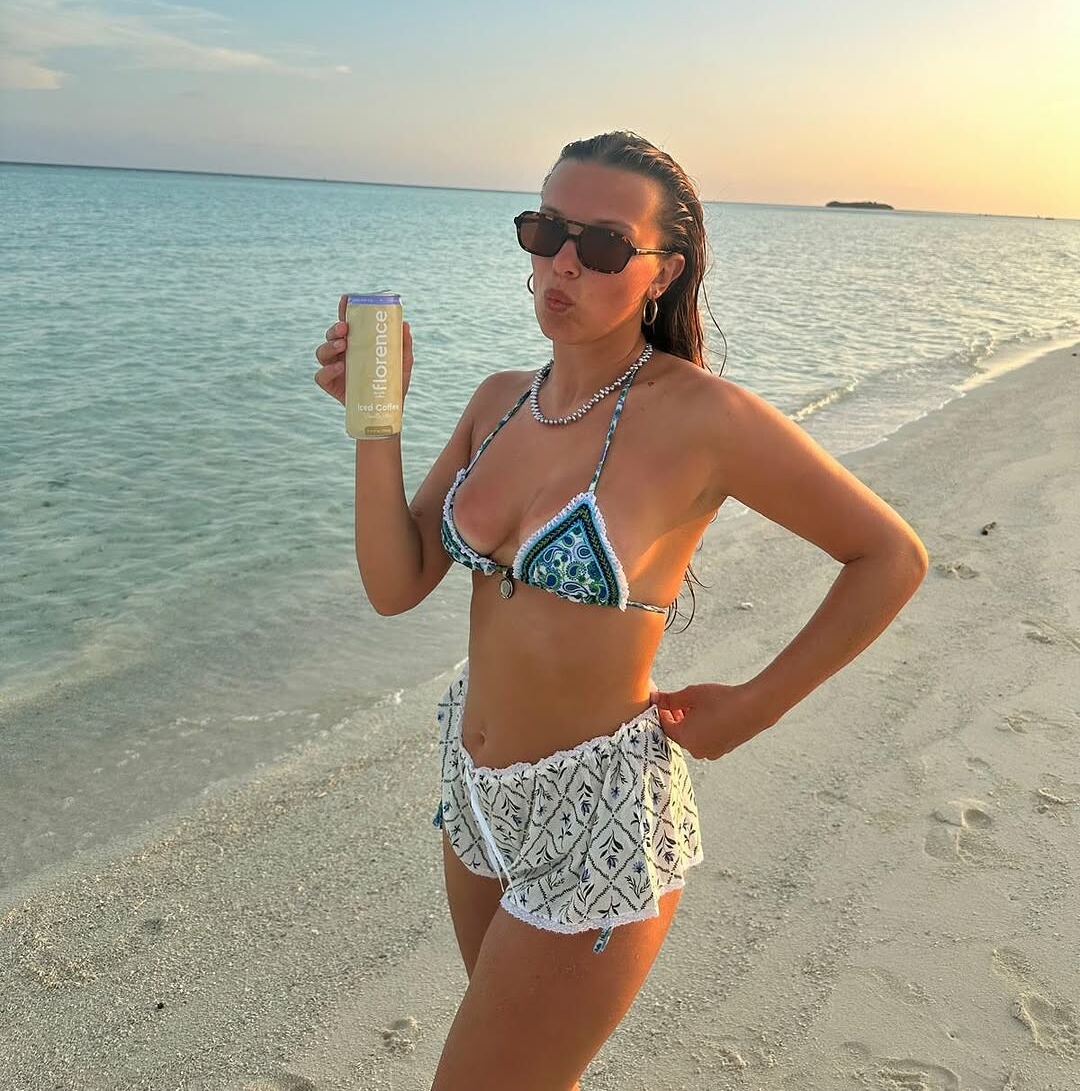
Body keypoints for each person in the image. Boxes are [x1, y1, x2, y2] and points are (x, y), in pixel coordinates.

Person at [313, 130, 928, 1091]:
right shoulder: (498, 401)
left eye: (601, 244)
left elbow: (889, 556)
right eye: (545, 230)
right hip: (473, 796)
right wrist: (374, 422)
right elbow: (397, 586)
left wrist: (755, 706)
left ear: (661, 272)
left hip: (598, 816)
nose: (563, 262)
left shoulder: (703, 418)